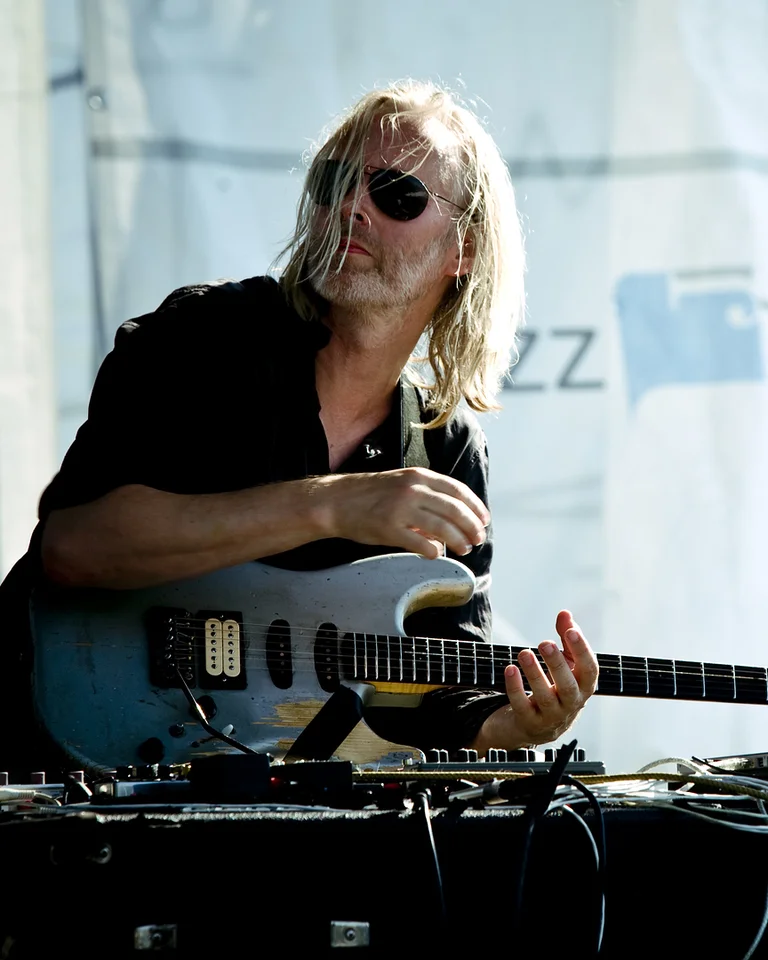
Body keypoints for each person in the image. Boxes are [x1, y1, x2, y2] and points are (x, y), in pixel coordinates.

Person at [2, 80, 598, 771]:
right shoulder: (203, 340)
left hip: (275, 817)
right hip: (52, 771)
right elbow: (73, 550)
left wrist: (510, 727)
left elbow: (436, 695)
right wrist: (335, 504)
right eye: (334, 181)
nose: (351, 207)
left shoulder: (445, 449)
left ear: (462, 249)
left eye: (396, 195)